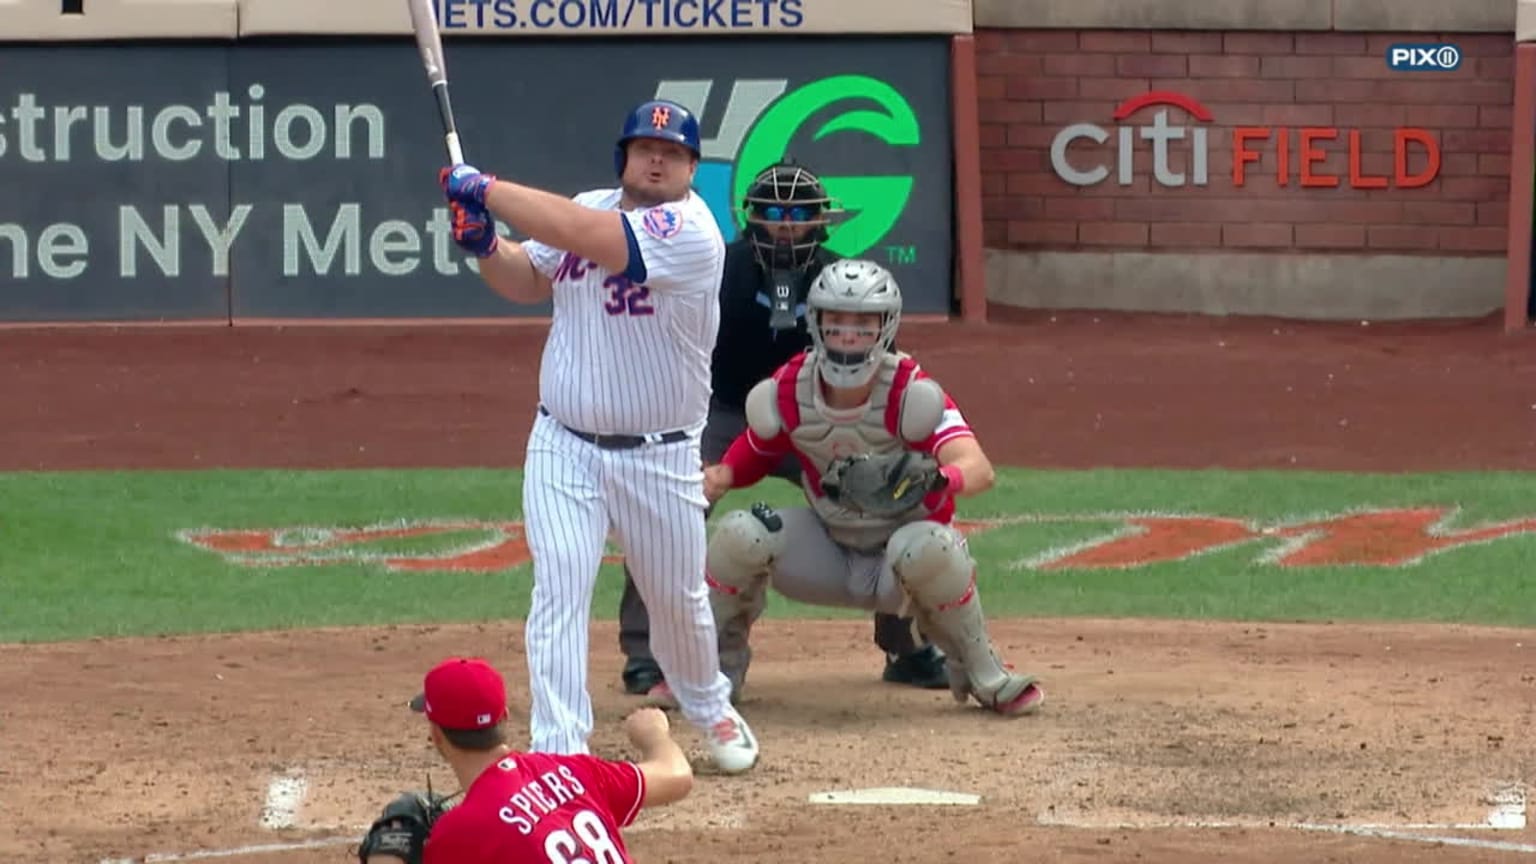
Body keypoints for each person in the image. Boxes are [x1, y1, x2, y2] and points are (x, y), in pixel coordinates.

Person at [436, 98, 758, 774]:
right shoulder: (589, 204)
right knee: (559, 586)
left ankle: (709, 705)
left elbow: (596, 237)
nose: (659, 158)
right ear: (627, 156)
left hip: (661, 453)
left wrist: (488, 190)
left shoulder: (693, 232)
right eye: (648, 147)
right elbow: (527, 278)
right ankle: (558, 746)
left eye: (673, 152)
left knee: (678, 602)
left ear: (693, 167)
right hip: (564, 444)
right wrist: (484, 245)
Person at [616, 160, 950, 704]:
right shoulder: (715, 268)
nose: (786, 224)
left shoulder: (847, 281)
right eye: (773, 213)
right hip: (722, 412)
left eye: (798, 214)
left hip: (817, 416)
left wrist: (877, 453)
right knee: (669, 508)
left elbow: (881, 370)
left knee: (889, 497)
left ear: (822, 220)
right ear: (752, 218)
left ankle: (906, 645)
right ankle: (646, 652)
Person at [697, 259, 1046, 716]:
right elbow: (756, 451)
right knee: (741, 533)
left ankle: (984, 671)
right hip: (826, 548)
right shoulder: (789, 387)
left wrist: (938, 478)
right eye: (836, 321)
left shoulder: (911, 390)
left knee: (932, 547)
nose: (848, 334)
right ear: (816, 322)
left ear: (885, 326)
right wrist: (718, 478)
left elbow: (978, 468)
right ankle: (712, 675)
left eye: (862, 323)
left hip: (897, 563)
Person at [359, 656, 692, 864]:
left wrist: (384, 854)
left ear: (436, 735)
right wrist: (654, 735)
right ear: (504, 717)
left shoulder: (462, 832)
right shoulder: (571, 770)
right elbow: (676, 776)